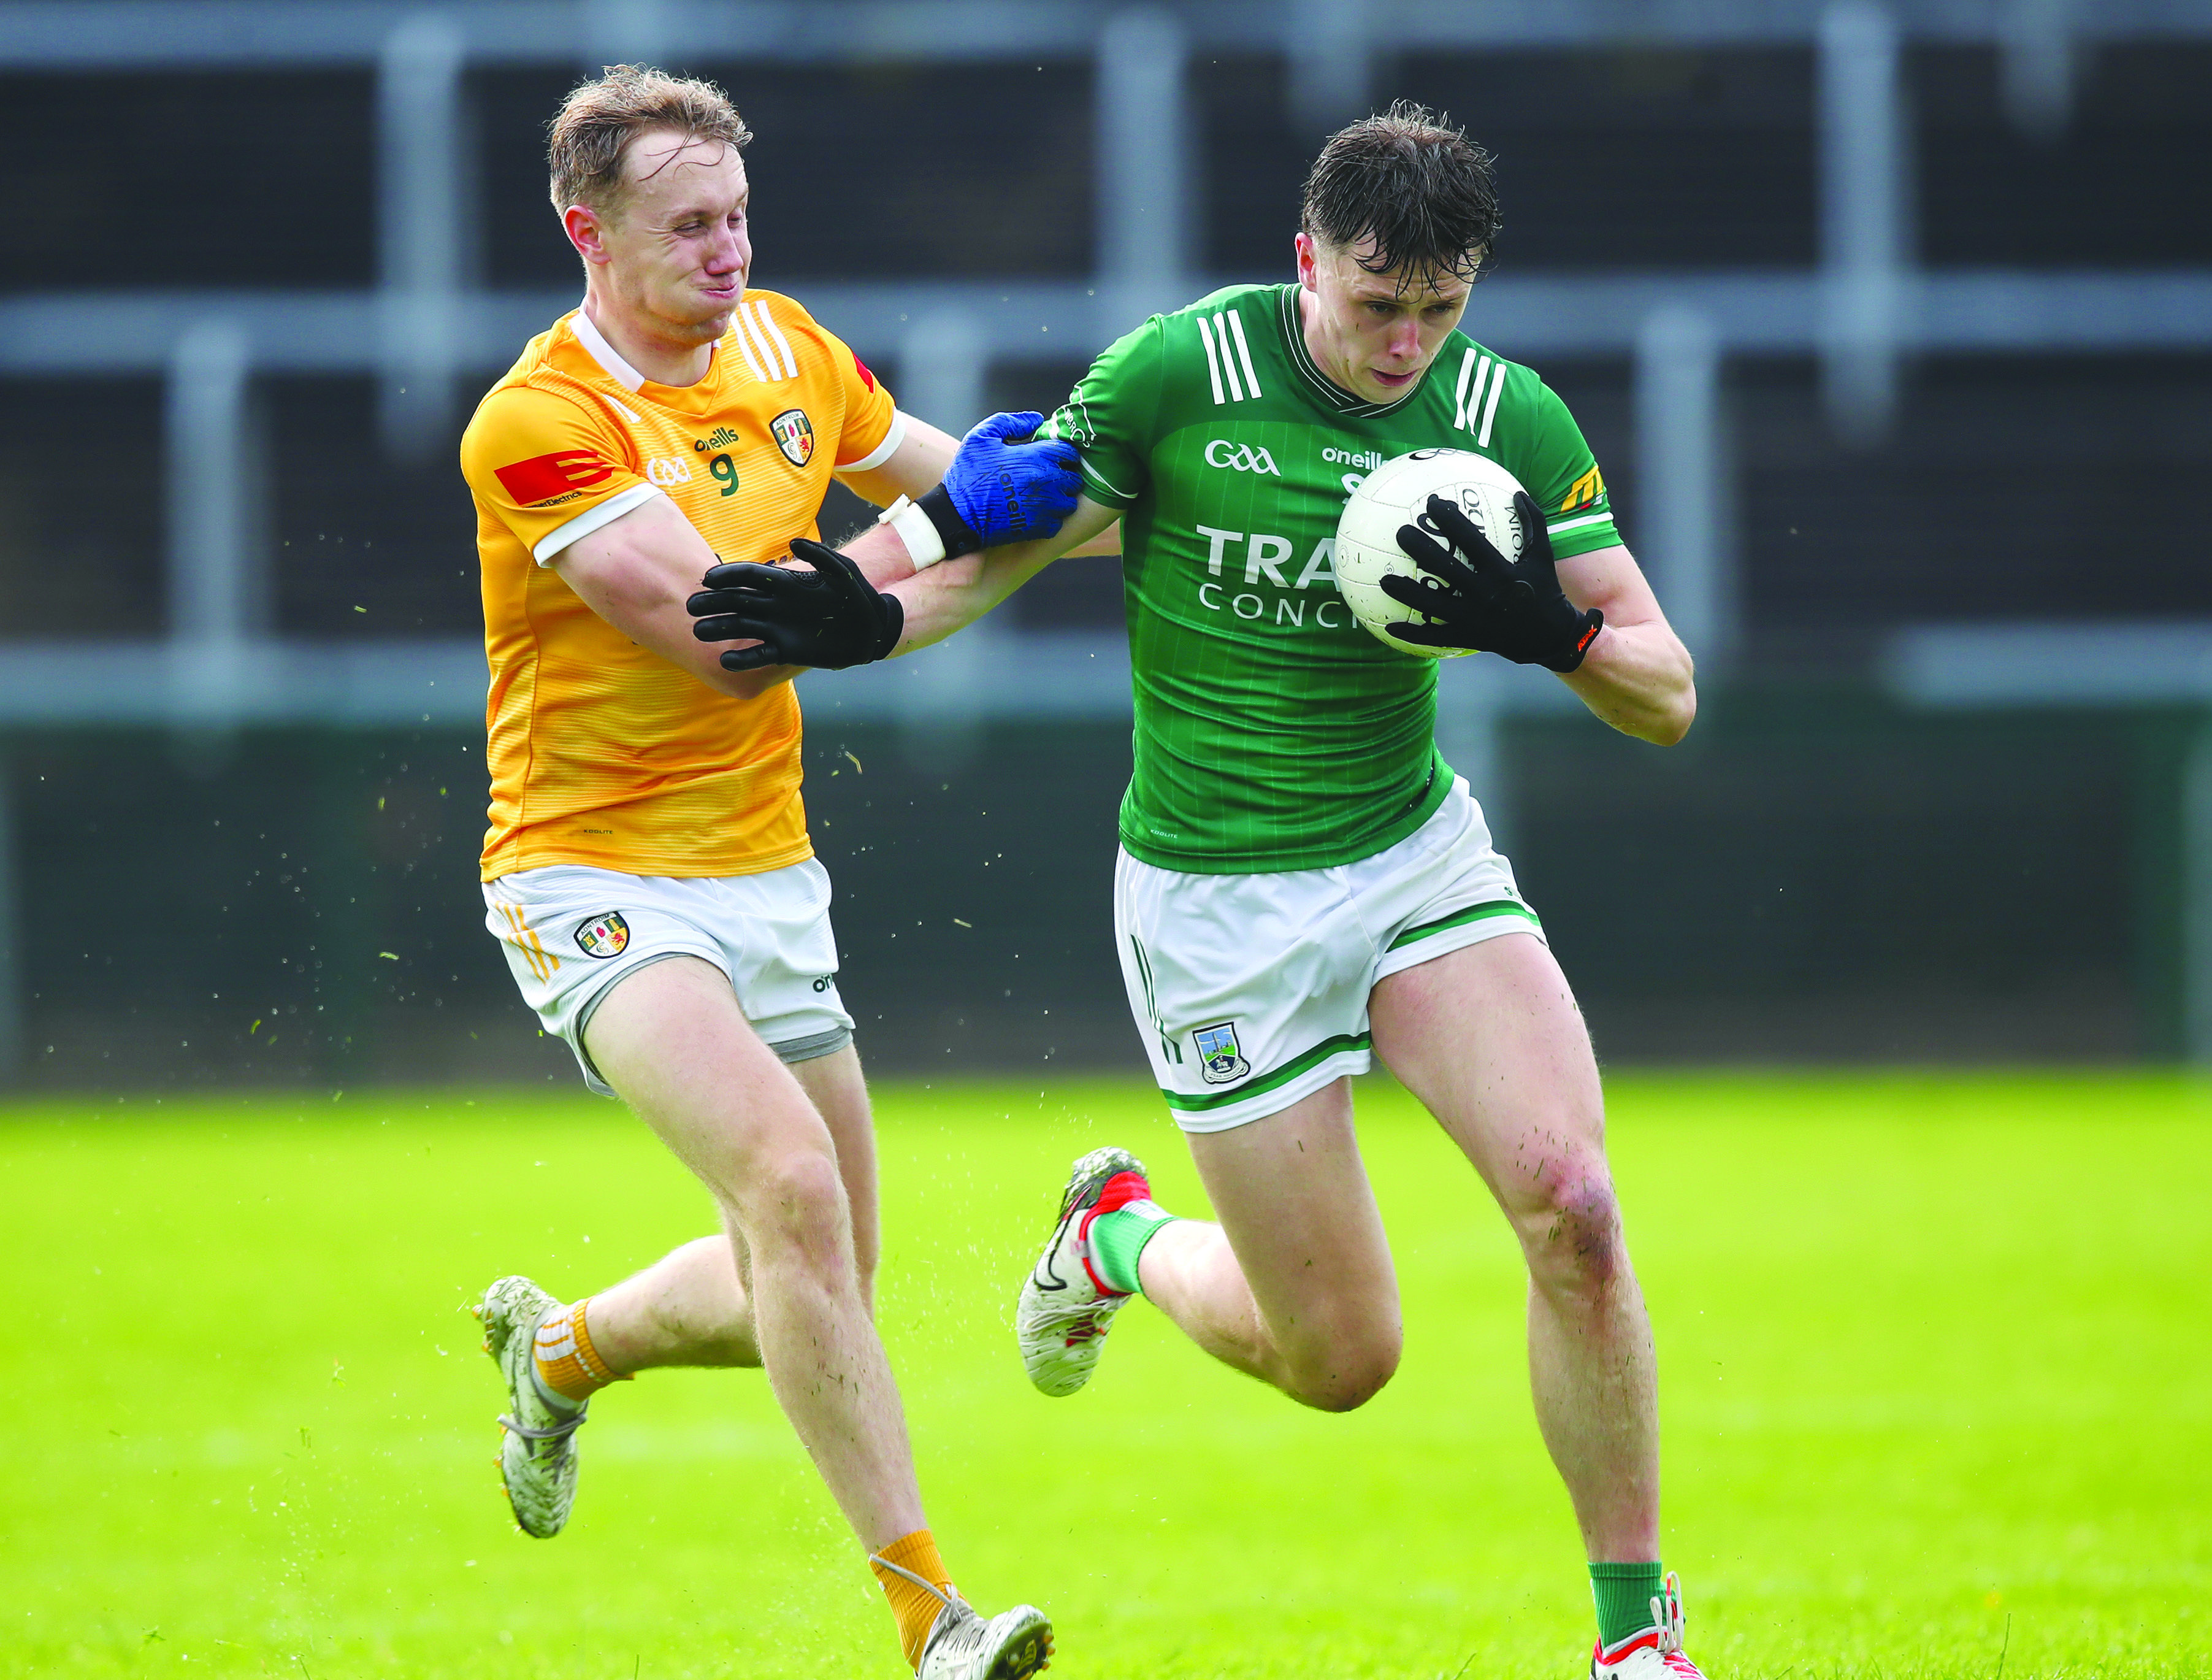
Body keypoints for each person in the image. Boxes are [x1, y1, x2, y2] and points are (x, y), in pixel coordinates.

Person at [686, 103, 1708, 1679]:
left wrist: (1555, 635)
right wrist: (862, 621)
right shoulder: (1180, 375)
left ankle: (1635, 1639)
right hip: (1219, 912)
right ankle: (1119, 1240)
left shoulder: (1506, 414)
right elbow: (1002, 538)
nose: (1405, 345)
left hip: (1416, 860)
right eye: (1378, 304)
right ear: (1308, 260)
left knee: (1573, 1208)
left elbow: (1669, 691)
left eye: (1441, 310)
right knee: (1342, 1359)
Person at [457, 65, 1079, 1680]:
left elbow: (986, 500)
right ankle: (930, 1620)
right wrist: (950, 537)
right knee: (790, 1191)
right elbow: (734, 634)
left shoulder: (793, 348)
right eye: (687, 226)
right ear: (585, 231)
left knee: (815, 1282)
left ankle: (566, 1348)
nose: (726, 250)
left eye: (737, 216)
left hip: (763, 873)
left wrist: (1123, 483)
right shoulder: (538, 423)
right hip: (587, 874)